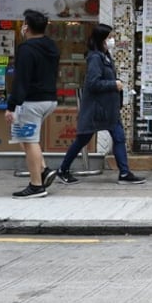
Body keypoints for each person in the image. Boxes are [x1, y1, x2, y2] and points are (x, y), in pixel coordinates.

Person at [55, 23, 145, 185]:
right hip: (96, 110)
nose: (112, 40)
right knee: (82, 140)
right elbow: (93, 83)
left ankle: (124, 173)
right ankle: (63, 169)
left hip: (109, 109)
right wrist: (113, 84)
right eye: (109, 37)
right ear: (101, 38)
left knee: (119, 138)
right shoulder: (95, 58)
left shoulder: (105, 56)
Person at [5, 9, 59, 199]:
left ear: (27, 27)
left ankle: (36, 185)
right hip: (49, 99)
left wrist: (11, 106)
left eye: (23, 23)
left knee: (29, 142)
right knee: (22, 136)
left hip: (32, 102)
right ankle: (43, 170)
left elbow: (22, 80)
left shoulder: (26, 49)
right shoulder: (51, 45)